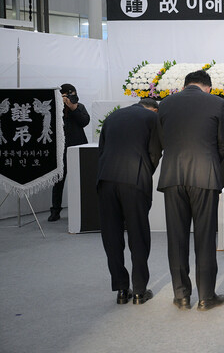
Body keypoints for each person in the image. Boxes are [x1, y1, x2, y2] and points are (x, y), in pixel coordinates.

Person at [155, 70, 224, 311]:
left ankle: (181, 295)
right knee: (205, 237)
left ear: (185, 85)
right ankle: (206, 297)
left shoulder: (165, 103)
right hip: (204, 175)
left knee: (176, 237)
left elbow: (162, 140)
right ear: (207, 87)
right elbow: (223, 143)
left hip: (172, 175)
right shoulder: (216, 102)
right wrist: (210, 162)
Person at [97, 98, 161, 305]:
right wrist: (146, 173)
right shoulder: (152, 118)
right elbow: (155, 153)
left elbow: (101, 150)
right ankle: (140, 290)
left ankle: (121, 289)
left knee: (111, 235)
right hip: (134, 179)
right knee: (138, 234)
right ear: (154, 109)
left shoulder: (112, 117)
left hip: (106, 179)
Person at [48, 83, 90, 222]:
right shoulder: (55, 107)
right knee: (58, 181)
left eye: (74, 95)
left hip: (78, 146)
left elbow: (85, 121)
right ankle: (55, 210)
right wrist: (61, 104)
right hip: (60, 149)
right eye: (68, 96)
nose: (71, 98)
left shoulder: (79, 107)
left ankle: (84, 207)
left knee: (81, 178)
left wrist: (73, 108)